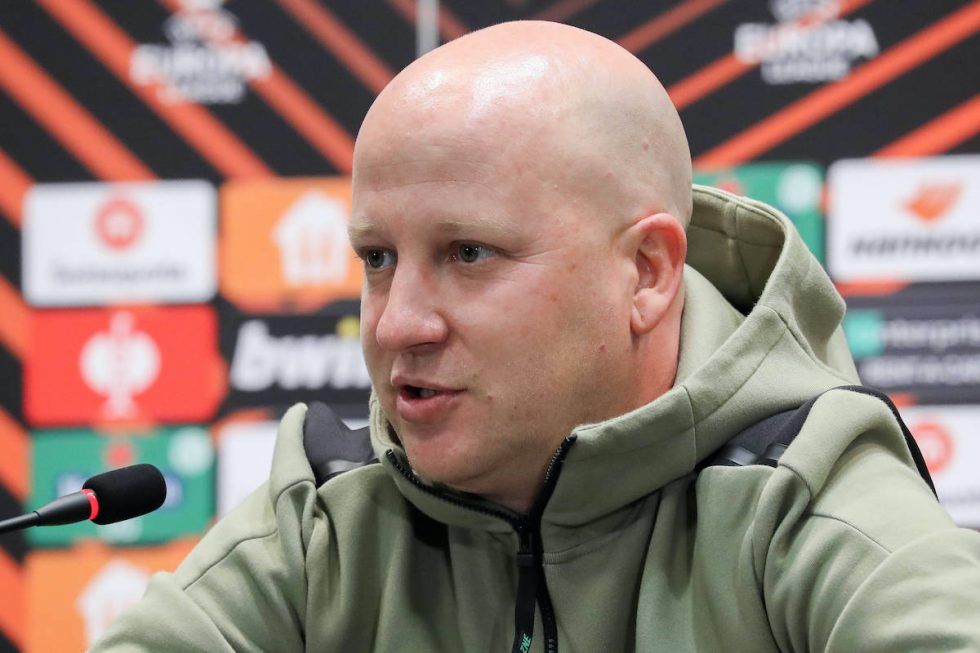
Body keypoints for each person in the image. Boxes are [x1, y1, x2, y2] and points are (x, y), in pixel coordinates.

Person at [91, 21, 980, 652]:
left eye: (468, 253)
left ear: (646, 274)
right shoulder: (328, 509)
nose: (397, 323)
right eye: (377, 258)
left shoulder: (804, 490)